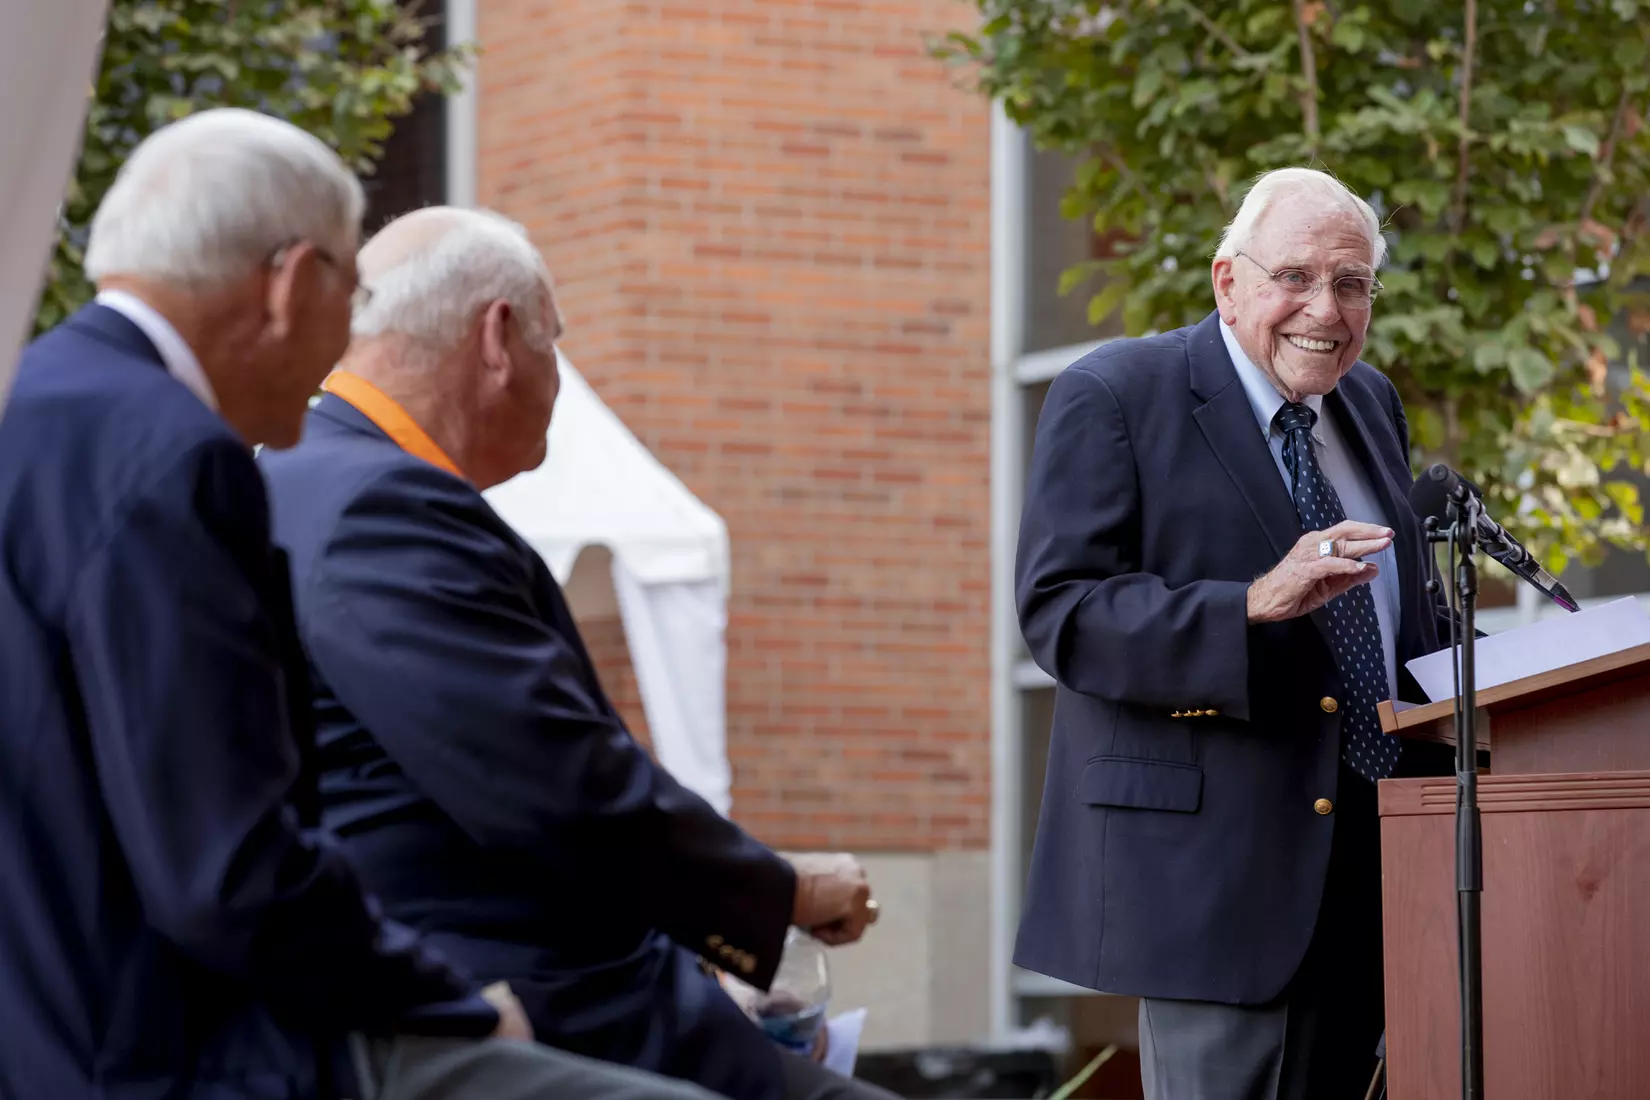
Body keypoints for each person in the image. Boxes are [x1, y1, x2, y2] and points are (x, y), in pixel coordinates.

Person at [0, 108, 731, 1100]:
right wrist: (457, 1001)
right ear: (293, 281)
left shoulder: (32, 401)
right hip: (177, 1051)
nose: (355, 342)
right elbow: (227, 869)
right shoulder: (178, 455)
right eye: (355, 294)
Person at [258, 206, 893, 1100]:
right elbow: (555, 785)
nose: (557, 376)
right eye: (554, 344)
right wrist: (778, 893)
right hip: (523, 1012)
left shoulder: (293, 477)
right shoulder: (377, 503)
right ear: (498, 336)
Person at [1012, 168, 1454, 1100]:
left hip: (1383, 875)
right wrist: (1250, 603)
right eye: (1295, 277)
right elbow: (1063, 612)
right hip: (1217, 888)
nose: (1324, 310)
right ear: (1228, 281)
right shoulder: (1118, 393)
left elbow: (1401, 618)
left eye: (1352, 283)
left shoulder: (1369, 401)